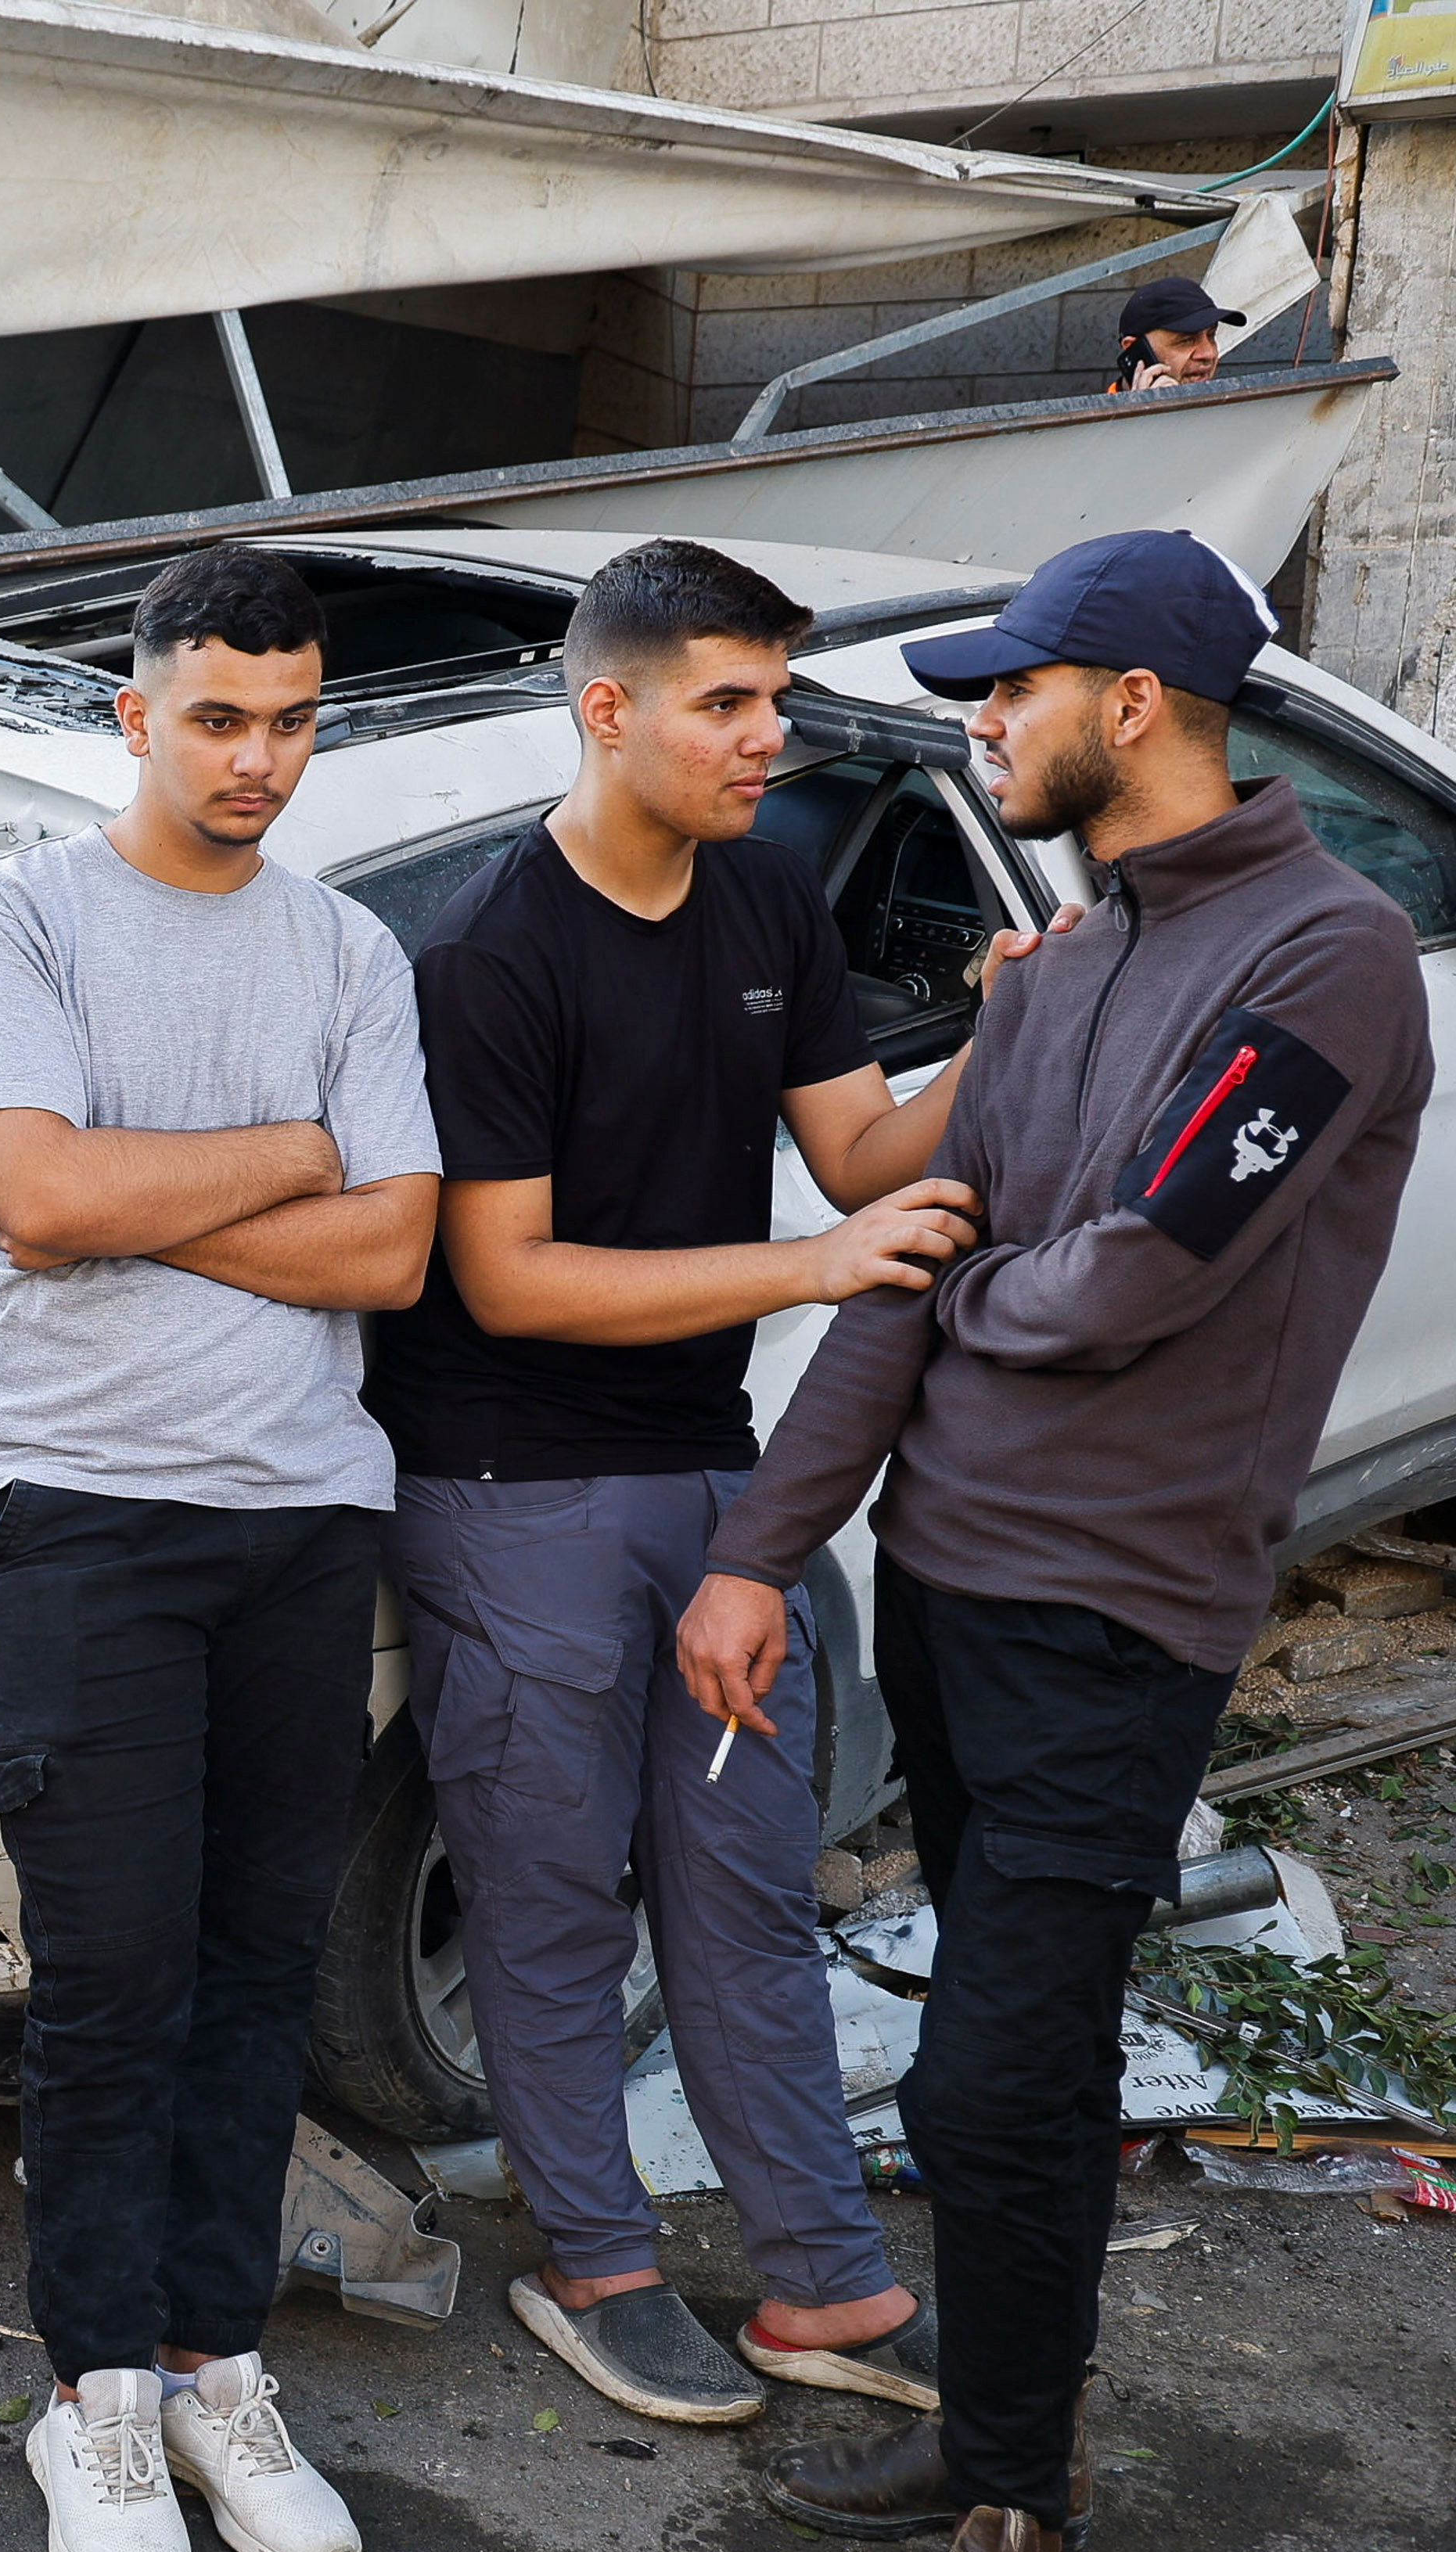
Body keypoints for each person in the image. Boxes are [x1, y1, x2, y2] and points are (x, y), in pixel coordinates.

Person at [676, 530, 1429, 2552]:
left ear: (1133, 698)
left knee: (1001, 2071)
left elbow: (1126, 1283)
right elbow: (912, 1274)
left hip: (1127, 1611)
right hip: (957, 1590)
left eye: (1008, 692)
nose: (976, 726)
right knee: (996, 2045)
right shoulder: (1066, 965)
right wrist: (751, 1552)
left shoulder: (1330, 966)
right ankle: (987, 2425)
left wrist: (964, 1299)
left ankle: (1016, 2513)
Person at [375, 539, 1007, 2433]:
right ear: (607, 707)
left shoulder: (763, 907)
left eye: (772, 701)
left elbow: (856, 1144)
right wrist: (809, 1272)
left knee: (741, 1879)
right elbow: (509, 1276)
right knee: (551, 1895)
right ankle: (598, 2260)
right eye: (725, 702)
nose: (765, 738)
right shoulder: (490, 955)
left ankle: (821, 2279)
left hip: (708, 1484)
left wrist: (1015, 1024)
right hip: (511, 1487)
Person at [0, 546, 442, 2552]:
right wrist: (284, 1152)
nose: (254, 756)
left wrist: (143, 1199)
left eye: (291, 718)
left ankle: (220, 2358)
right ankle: (95, 2392)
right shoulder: (14, 916)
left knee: (252, 1962)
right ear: (131, 712)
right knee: (116, 1967)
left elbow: (392, 1252)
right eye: (215, 715)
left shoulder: (348, 953)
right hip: (76, 1513)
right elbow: (30, 1193)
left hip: (302, 1518)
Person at [1108, 275, 1240, 396]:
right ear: (1133, 348)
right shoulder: (1098, 418)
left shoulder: (1234, 413)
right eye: (1186, 341)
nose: (1209, 354)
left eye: (1211, 336)